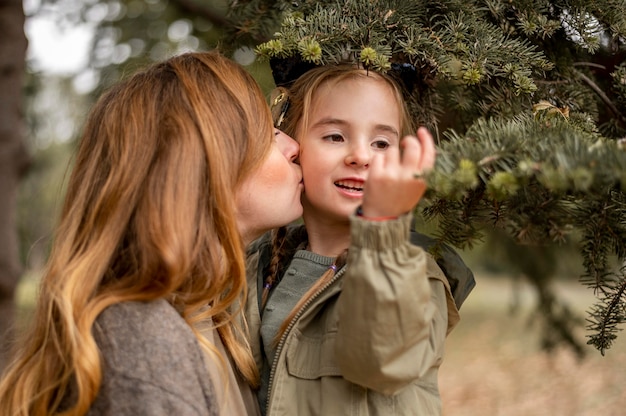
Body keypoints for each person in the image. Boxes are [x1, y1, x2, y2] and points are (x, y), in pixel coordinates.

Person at [0, 51, 304, 416]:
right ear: (205, 166)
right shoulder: (143, 346)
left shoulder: (213, 317)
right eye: (267, 134)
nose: (293, 146)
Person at [245, 64, 475, 415]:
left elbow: (384, 358)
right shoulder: (261, 264)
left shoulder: (411, 274)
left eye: (381, 143)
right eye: (335, 136)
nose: (361, 156)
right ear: (293, 147)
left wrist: (382, 226)